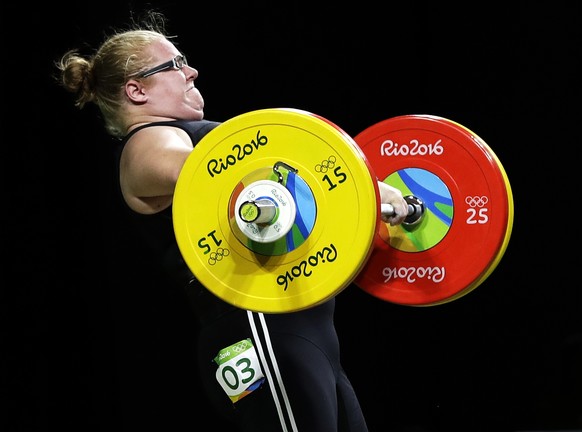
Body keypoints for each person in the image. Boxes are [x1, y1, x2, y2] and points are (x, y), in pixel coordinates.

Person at [56, 10, 409, 432]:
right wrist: (340, 177)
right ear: (136, 91)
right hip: (258, 335)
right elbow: (207, 171)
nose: (191, 71)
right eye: (173, 65)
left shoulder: (196, 137)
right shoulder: (147, 140)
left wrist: (360, 188)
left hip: (303, 339)